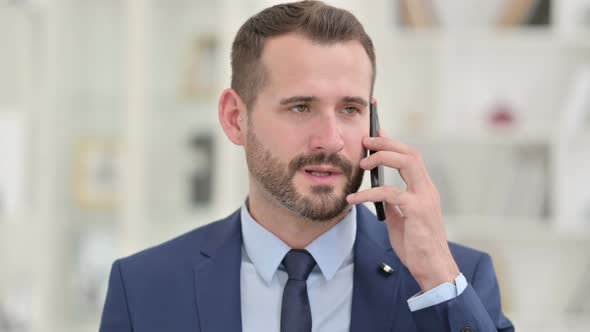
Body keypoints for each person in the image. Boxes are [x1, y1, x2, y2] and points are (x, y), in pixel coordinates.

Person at [99, 1, 514, 331]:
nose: (331, 139)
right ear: (234, 118)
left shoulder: (454, 280)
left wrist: (438, 280)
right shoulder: (144, 287)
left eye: (349, 109)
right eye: (301, 107)